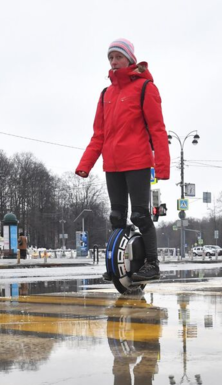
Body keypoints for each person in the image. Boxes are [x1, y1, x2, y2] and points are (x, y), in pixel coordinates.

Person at [76, 39, 170, 282]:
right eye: (110, 58)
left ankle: (152, 264)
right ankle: (116, 264)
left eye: (118, 57)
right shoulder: (106, 94)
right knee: (116, 217)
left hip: (137, 162)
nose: (114, 62)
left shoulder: (145, 88)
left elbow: (157, 129)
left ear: (129, 59)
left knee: (139, 216)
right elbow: (99, 134)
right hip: (113, 165)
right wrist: (85, 165)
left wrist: (162, 165)